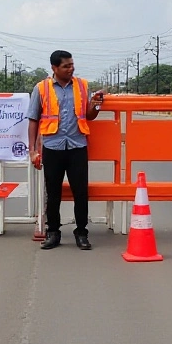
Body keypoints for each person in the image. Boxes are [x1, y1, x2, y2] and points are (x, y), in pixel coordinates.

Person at [27, 50, 105, 250]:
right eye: (66, 66)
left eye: (72, 65)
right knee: (53, 193)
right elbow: (33, 120)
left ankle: (81, 233)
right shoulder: (41, 88)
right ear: (54, 68)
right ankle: (53, 232)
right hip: (53, 146)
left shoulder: (82, 85)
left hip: (77, 145)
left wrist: (96, 105)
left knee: (81, 192)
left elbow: (88, 116)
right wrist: (33, 151)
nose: (71, 69)